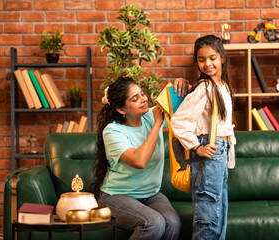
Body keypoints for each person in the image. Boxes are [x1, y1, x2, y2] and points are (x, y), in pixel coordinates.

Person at [93, 76, 186, 240]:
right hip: (116, 197)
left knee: (172, 222)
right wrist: (157, 124)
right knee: (153, 222)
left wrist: (184, 86)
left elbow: (184, 105)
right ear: (122, 109)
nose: (144, 99)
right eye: (135, 99)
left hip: (151, 195)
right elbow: (139, 161)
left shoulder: (150, 115)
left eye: (142, 94)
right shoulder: (113, 131)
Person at [170, 35, 236, 240]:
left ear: (222, 58)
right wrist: (197, 147)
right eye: (201, 59)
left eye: (212, 58)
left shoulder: (222, 85)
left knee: (218, 213)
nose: (207, 64)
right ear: (196, 61)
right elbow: (178, 122)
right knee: (208, 218)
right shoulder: (204, 88)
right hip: (210, 152)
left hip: (220, 152)